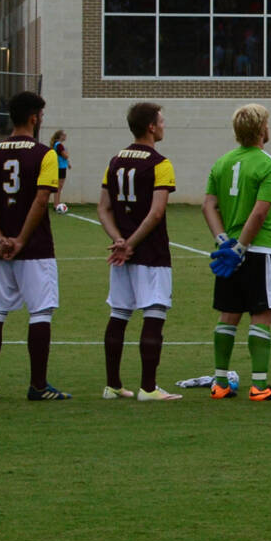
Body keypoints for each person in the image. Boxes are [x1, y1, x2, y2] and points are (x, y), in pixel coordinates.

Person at [0, 90, 68, 400]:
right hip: (35, 247)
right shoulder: (45, 154)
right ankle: (38, 386)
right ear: (34, 118)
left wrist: (0, 237)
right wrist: (21, 240)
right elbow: (42, 199)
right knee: (40, 312)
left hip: (0, 251)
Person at [203, 103, 271, 402]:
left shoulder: (221, 163)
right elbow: (260, 212)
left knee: (229, 314)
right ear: (261, 129)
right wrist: (241, 246)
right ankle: (260, 385)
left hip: (228, 251)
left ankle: (220, 382)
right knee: (262, 313)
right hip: (260, 248)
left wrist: (223, 242)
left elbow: (208, 206)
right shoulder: (269, 164)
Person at [96, 101, 182, 401]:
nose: (163, 125)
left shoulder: (115, 161)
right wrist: (131, 244)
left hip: (122, 255)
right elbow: (156, 213)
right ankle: (148, 388)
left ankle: (113, 385)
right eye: (161, 120)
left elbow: (103, 208)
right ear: (150, 126)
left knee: (119, 314)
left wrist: (119, 240)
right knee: (154, 313)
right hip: (151, 253)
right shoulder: (161, 163)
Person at [48, 129, 72, 209]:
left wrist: (68, 163)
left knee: (59, 186)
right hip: (60, 167)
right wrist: (67, 154)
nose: (65, 136)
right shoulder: (59, 145)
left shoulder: (58, 145)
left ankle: (57, 203)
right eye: (64, 135)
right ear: (60, 136)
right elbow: (65, 155)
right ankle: (56, 204)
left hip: (60, 166)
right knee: (59, 186)